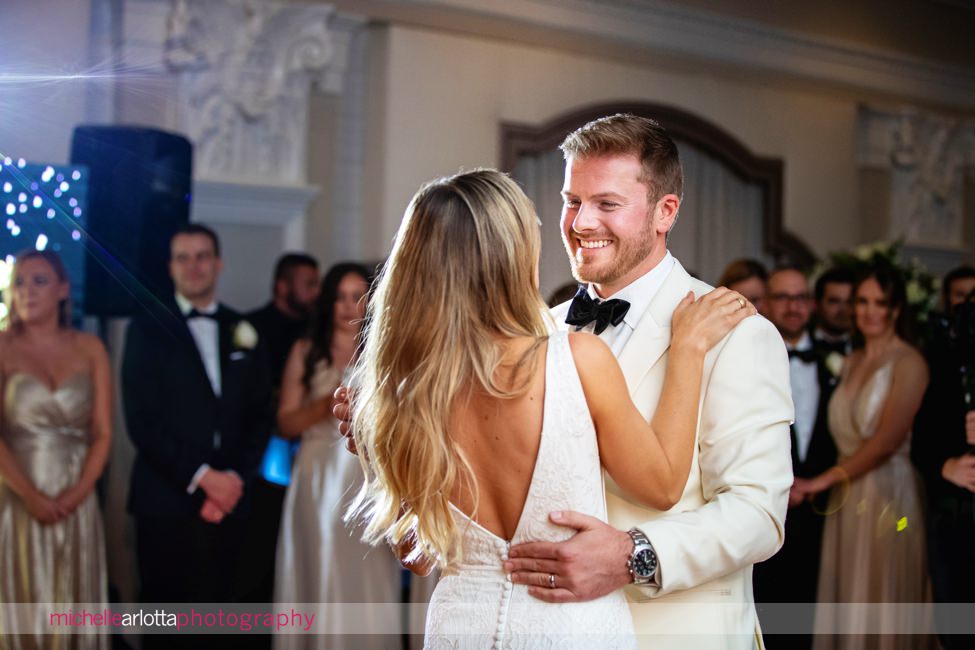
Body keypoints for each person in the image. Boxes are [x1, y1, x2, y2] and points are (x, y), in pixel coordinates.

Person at [346, 168, 756, 648]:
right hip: (568, 627)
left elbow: (416, 556)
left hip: (461, 628)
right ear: (513, 253)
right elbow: (664, 485)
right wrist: (687, 350)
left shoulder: (401, 392)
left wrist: (373, 443)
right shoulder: (575, 359)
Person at [500, 114, 793, 649]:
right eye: (572, 200)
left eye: (606, 204)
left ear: (666, 212)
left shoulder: (736, 334)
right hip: (548, 629)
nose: (581, 222)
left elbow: (758, 515)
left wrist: (632, 555)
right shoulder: (538, 330)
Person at [121, 224, 272, 644]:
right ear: (170, 267)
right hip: (166, 501)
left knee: (226, 623)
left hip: (233, 503)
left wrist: (234, 480)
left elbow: (262, 412)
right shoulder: (145, 328)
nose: (194, 266)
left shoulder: (242, 328)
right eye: (183, 257)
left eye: (202, 255)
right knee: (166, 623)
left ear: (218, 263)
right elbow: (142, 421)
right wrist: (206, 478)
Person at [792, 268, 933, 649]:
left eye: (880, 303)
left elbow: (886, 442)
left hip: (891, 499)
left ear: (895, 309)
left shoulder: (909, 363)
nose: (870, 311)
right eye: (863, 302)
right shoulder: (850, 361)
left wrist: (818, 482)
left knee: (884, 598)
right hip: (847, 500)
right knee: (848, 597)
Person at [273, 262, 401, 649]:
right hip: (317, 473)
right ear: (328, 302)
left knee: (368, 566)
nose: (349, 307)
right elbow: (285, 423)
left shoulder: (385, 349)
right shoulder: (306, 351)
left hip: (368, 475)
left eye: (357, 297)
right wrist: (325, 406)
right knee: (320, 561)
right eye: (341, 297)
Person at [0, 249, 111, 649]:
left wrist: (76, 496)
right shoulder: (2, 347)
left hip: (75, 491)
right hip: (15, 492)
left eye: (39, 281)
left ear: (63, 289)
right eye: (20, 284)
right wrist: (30, 496)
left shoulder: (90, 348)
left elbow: (102, 433)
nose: (27, 292)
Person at [752, 266, 838, 650]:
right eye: (783, 297)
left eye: (801, 297)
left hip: (826, 512)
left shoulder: (836, 363)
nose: (793, 306)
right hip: (761, 508)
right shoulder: (746, 361)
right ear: (767, 302)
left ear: (812, 305)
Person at [236, 253, 320, 611]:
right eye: (308, 284)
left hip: (312, 454)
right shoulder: (251, 327)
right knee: (259, 547)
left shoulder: (316, 331)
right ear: (282, 286)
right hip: (264, 453)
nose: (316, 293)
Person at [911, 267, 975, 649]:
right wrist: (944, 466)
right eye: (962, 297)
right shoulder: (942, 361)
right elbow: (921, 441)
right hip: (955, 522)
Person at [812, 267, 855, 353]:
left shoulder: (866, 345)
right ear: (817, 304)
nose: (843, 310)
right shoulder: (800, 342)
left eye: (849, 302)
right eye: (834, 301)